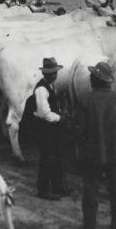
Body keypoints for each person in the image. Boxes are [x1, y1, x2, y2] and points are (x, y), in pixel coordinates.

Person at [74, 62, 116, 229]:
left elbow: (79, 130)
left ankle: (90, 226)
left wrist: (82, 150)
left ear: (95, 80)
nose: (90, 78)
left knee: (90, 194)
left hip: (92, 156)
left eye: (92, 76)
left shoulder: (85, 99)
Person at [34, 57, 68, 201]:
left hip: (51, 129)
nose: (53, 75)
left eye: (55, 72)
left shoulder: (50, 86)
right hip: (45, 129)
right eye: (50, 73)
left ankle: (57, 186)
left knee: (54, 156)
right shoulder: (42, 89)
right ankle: (43, 190)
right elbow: (44, 114)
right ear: (44, 74)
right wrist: (61, 118)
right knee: (47, 158)